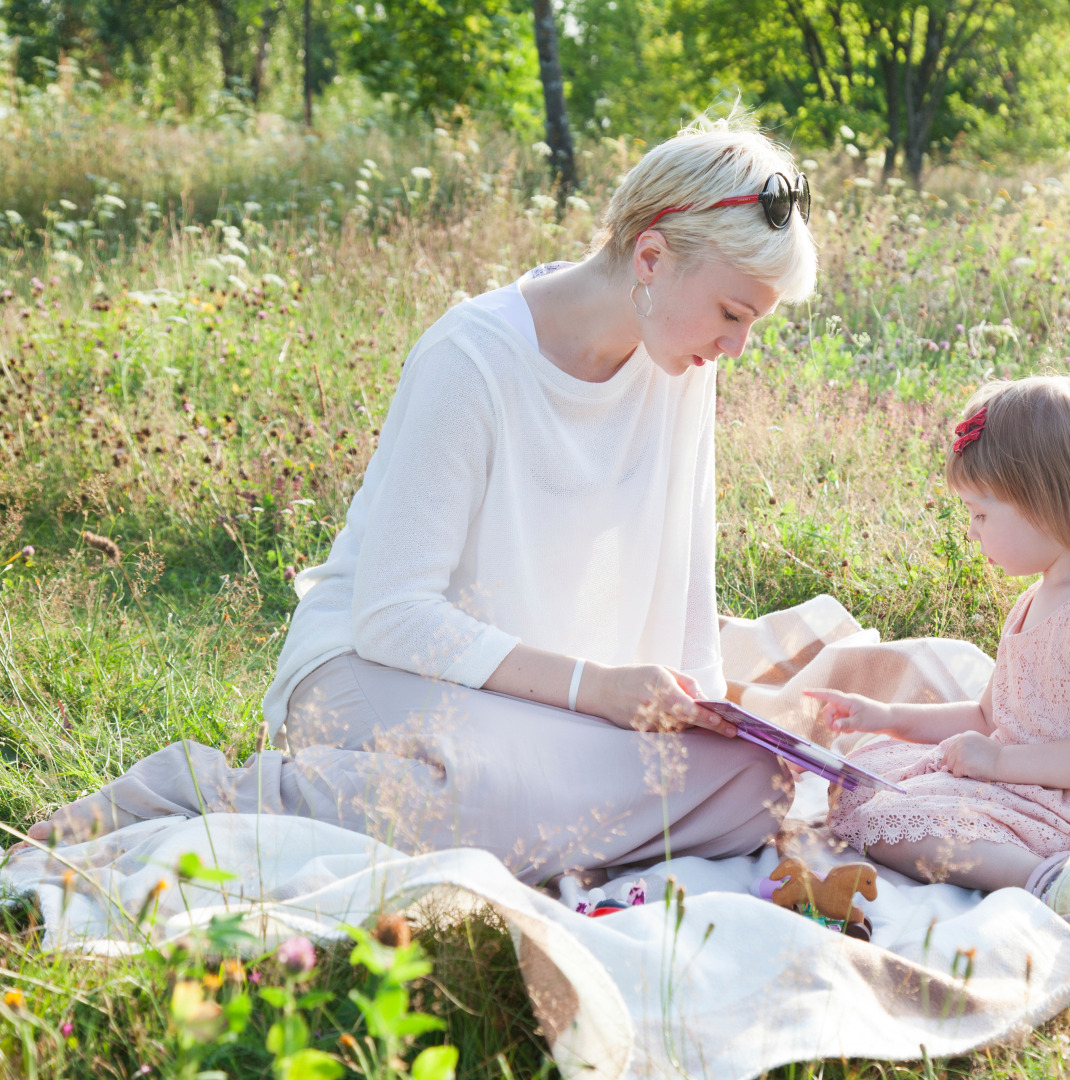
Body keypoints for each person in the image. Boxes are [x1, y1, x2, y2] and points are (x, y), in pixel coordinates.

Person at [26, 113, 818, 886]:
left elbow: (687, 569)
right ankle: (195, 797)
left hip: (544, 708)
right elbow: (395, 616)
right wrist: (597, 691)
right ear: (650, 256)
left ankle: (529, 792)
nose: (735, 346)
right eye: (731, 314)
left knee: (762, 783)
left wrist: (708, 712)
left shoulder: (681, 367)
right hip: (373, 670)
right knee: (497, 795)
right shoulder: (470, 357)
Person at [806, 376, 1070, 915]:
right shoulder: (1036, 600)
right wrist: (886, 716)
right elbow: (989, 715)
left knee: (891, 822)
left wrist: (1000, 762)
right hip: (1028, 782)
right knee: (862, 783)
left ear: (1046, 503)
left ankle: (1041, 877)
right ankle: (1019, 857)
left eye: (981, 514)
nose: (972, 533)